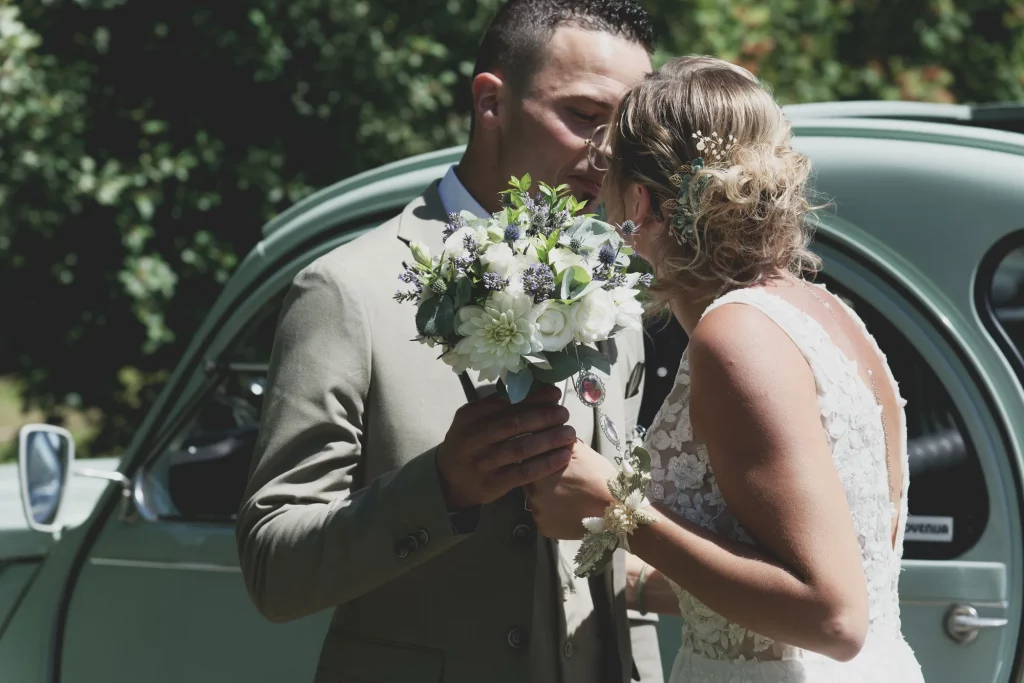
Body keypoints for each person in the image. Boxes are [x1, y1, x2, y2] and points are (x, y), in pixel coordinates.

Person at [235, 2, 663, 682]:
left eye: (627, 127)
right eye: (584, 116)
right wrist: (440, 487)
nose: (609, 151)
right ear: (492, 102)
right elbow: (273, 569)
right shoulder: (348, 291)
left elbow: (611, 562)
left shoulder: (616, 296)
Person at [527, 55, 926, 682]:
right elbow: (787, 571)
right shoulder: (824, 310)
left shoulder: (735, 335)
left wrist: (618, 508)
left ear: (640, 201)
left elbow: (834, 619)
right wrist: (645, 586)